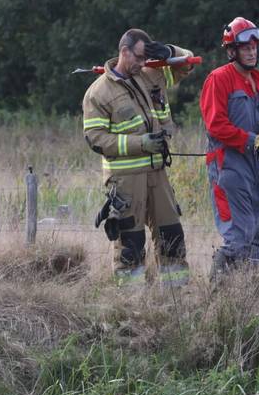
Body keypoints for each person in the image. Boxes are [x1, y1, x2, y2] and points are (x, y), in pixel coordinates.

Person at [83, 29, 197, 286]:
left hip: (157, 174)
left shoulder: (150, 76)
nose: (143, 63)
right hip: (125, 181)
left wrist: (169, 52)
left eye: (147, 57)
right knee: (130, 245)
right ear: (124, 52)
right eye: (138, 57)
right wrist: (140, 143)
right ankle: (131, 304)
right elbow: (95, 138)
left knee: (172, 236)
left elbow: (187, 63)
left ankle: (176, 296)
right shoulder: (98, 93)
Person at [200, 16, 259, 277]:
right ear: (232, 51)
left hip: (255, 164)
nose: (251, 51)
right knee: (238, 234)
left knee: (255, 233)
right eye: (246, 48)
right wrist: (252, 140)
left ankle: (248, 293)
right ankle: (220, 295)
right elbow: (216, 125)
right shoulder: (218, 79)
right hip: (228, 164)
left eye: (254, 47)